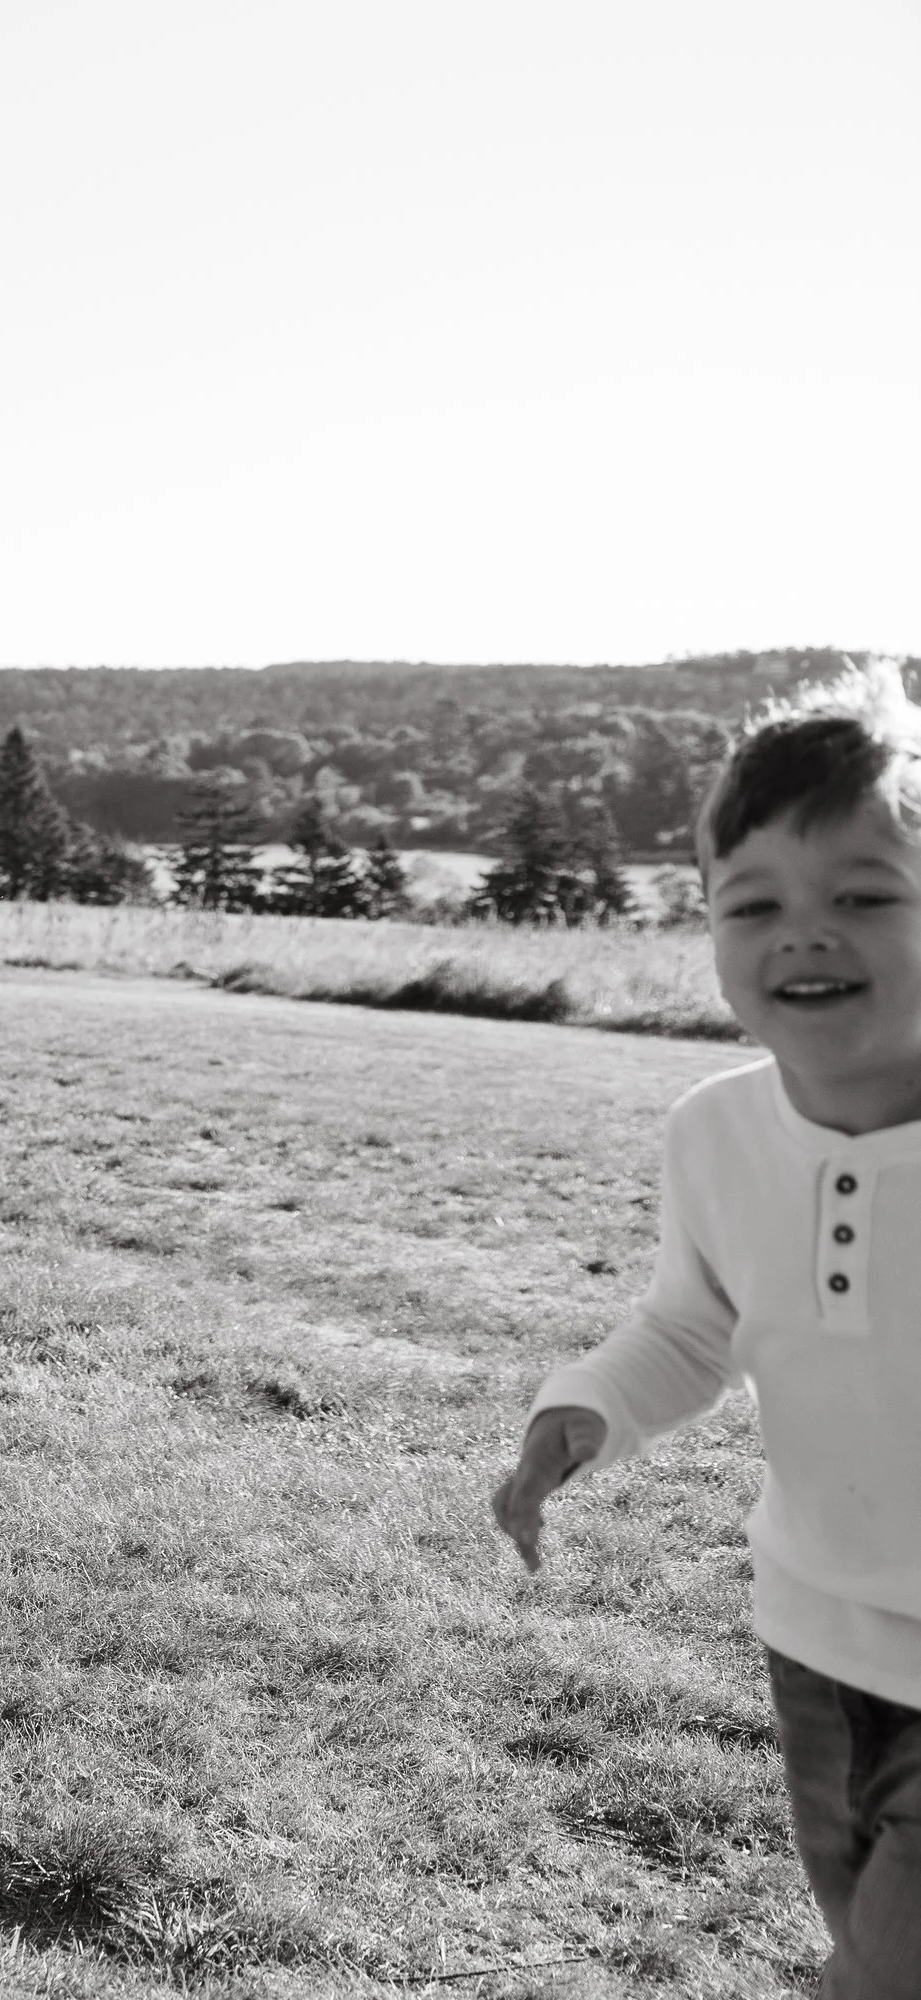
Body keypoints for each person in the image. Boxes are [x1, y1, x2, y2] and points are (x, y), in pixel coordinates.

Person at [491, 658, 921, 1997]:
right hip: (816, 1640)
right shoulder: (717, 1131)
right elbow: (692, 1326)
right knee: (865, 1936)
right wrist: (582, 1413)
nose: (805, 933)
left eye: (863, 897)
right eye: (756, 904)